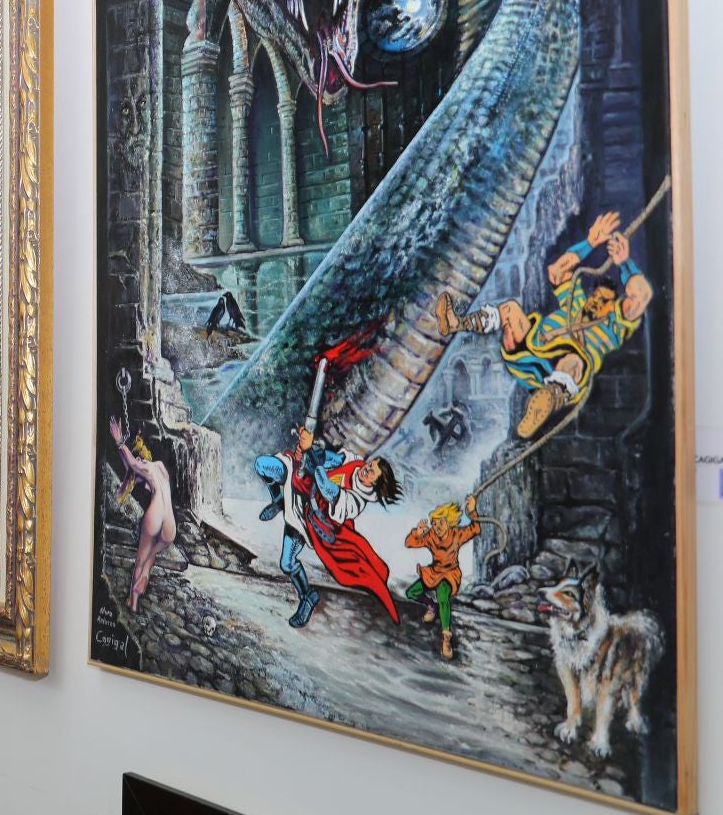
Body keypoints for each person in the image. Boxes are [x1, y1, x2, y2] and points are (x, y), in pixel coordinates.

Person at [437, 210, 654, 438]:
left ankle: (550, 397)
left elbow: (642, 294)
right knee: (511, 311)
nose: (596, 303)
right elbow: (557, 271)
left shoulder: (614, 326)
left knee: (573, 359)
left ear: (613, 307)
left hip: (560, 372)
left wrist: (625, 264)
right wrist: (590, 242)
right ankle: (455, 323)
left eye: (604, 301)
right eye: (596, 297)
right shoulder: (576, 303)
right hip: (530, 354)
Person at [255, 424, 402, 628]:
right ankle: (279, 499)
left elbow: (327, 488)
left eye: (370, 473)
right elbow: (329, 458)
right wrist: (311, 447)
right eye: (369, 465)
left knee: (287, 564)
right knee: (262, 465)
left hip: (305, 518)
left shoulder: (355, 502)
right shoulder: (354, 463)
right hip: (298, 480)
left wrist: (310, 453)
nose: (365, 470)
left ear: (374, 485)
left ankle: (307, 596)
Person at [108, 416, 175, 612]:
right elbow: (132, 467)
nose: (139, 460)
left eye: (139, 458)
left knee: (140, 558)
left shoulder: (147, 468)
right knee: (150, 556)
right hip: (170, 526)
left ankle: (133, 603)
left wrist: (119, 440)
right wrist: (131, 464)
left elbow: (133, 464)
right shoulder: (161, 468)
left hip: (155, 516)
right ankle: (145, 574)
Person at [404, 495, 482, 660]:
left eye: (440, 522)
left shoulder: (457, 535)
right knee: (411, 592)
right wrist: (417, 533)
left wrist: (472, 511)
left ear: (450, 522)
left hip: (450, 574)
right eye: (435, 523)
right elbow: (410, 543)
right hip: (434, 572)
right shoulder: (431, 535)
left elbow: (475, 529)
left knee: (443, 595)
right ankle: (431, 606)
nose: (437, 526)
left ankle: (446, 638)